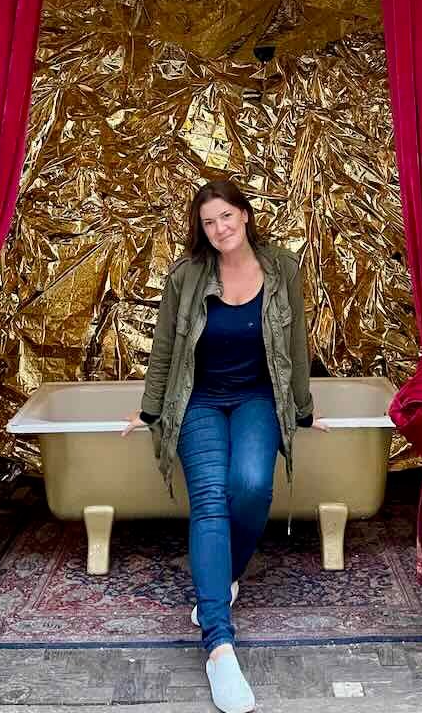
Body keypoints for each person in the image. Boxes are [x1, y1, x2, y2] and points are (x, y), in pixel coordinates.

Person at [123, 178, 323, 713]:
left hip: (258, 396)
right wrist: (150, 410)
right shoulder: (186, 277)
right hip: (199, 400)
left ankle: (226, 573)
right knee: (210, 499)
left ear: (245, 215)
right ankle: (218, 643)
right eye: (209, 222)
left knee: (251, 486)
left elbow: (295, 343)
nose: (219, 229)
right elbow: (164, 350)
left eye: (226, 217)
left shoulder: (282, 269)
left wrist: (303, 409)